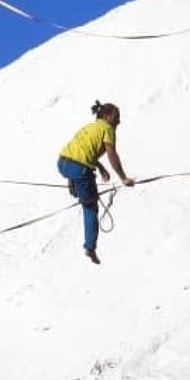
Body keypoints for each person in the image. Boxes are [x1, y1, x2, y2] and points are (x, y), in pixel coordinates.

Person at [57, 101, 135, 264]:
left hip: (63, 163)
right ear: (106, 116)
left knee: (83, 181)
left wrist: (100, 167)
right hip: (79, 169)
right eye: (116, 117)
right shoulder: (108, 129)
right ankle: (90, 248)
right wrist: (123, 178)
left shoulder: (90, 127)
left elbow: (82, 149)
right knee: (91, 207)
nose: (118, 121)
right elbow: (112, 155)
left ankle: (74, 184)